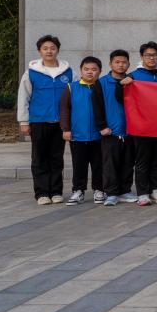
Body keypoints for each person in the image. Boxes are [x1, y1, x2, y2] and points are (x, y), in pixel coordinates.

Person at [16, 34, 74, 205]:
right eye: (45, 48)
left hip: (60, 123)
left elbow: (75, 97)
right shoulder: (31, 72)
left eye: (52, 48)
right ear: (39, 51)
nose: (49, 51)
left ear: (58, 50)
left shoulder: (68, 72)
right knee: (39, 158)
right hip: (38, 121)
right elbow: (23, 97)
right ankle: (41, 193)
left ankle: (56, 192)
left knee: (57, 158)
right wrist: (23, 121)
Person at [126, 41, 157, 207]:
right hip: (142, 127)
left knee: (156, 161)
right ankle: (142, 193)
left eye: (154, 55)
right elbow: (122, 98)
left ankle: (154, 189)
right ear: (142, 56)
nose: (151, 58)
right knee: (142, 161)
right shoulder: (133, 76)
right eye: (148, 55)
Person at [59, 56, 104, 205]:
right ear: (81, 70)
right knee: (79, 165)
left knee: (98, 165)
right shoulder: (71, 87)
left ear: (100, 71)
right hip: (77, 135)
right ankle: (78, 191)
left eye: (94, 69)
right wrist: (65, 128)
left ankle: (99, 189)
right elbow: (64, 109)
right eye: (86, 69)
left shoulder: (102, 87)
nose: (90, 72)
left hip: (99, 135)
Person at [92, 49, 132, 206]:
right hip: (110, 132)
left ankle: (125, 191)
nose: (121, 65)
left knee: (127, 163)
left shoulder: (132, 81)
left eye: (124, 62)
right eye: (117, 62)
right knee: (110, 164)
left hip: (129, 131)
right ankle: (112, 193)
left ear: (128, 64)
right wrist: (102, 126)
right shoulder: (101, 83)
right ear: (110, 64)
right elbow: (97, 107)